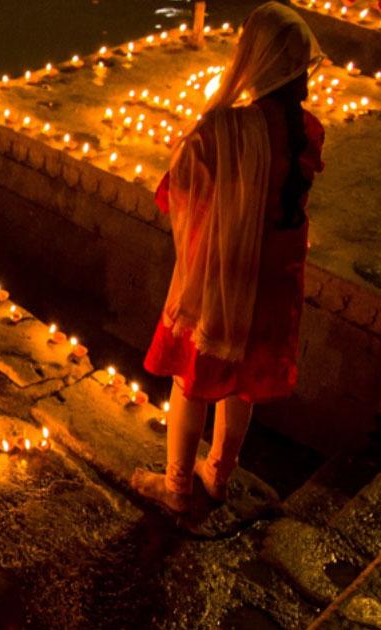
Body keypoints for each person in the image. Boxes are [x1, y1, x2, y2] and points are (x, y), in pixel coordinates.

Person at [131, 2, 326, 514]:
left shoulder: (222, 130)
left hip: (224, 278)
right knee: (242, 383)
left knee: (191, 380)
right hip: (276, 279)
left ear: (255, 59)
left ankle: (176, 485)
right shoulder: (307, 130)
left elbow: (173, 194)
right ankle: (218, 474)